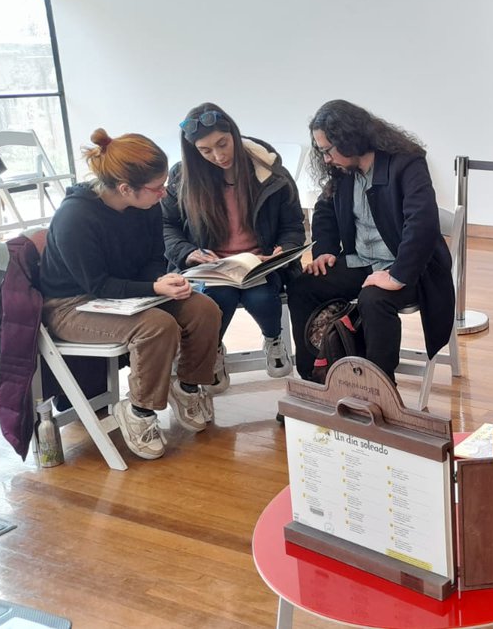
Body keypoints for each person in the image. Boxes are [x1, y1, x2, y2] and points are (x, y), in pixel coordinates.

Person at [39, 129, 221, 460]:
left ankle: (188, 386)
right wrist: (153, 288)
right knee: (156, 326)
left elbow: (154, 256)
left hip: (123, 293)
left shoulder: (146, 205)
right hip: (71, 305)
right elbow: (97, 285)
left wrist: (164, 280)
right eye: (157, 187)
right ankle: (139, 411)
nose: (164, 192)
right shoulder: (75, 217)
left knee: (203, 309)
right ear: (125, 188)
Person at [287, 100, 454, 384]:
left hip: (413, 267)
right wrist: (325, 250)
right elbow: (325, 210)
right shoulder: (342, 170)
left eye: (328, 150)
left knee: (374, 299)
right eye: (321, 151)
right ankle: (315, 379)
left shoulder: (407, 162)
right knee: (303, 287)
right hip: (362, 261)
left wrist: (397, 276)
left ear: (348, 138)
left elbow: (423, 223)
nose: (326, 159)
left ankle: (378, 388)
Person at [163, 103, 306, 391]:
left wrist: (283, 249)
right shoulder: (183, 178)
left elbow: (293, 225)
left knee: (262, 298)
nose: (218, 156)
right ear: (193, 151)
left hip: (260, 263)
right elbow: (167, 226)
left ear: (234, 134)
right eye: (205, 150)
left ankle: (273, 339)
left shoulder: (269, 170)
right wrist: (187, 252)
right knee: (218, 300)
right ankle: (213, 351)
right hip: (212, 268)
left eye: (222, 144)